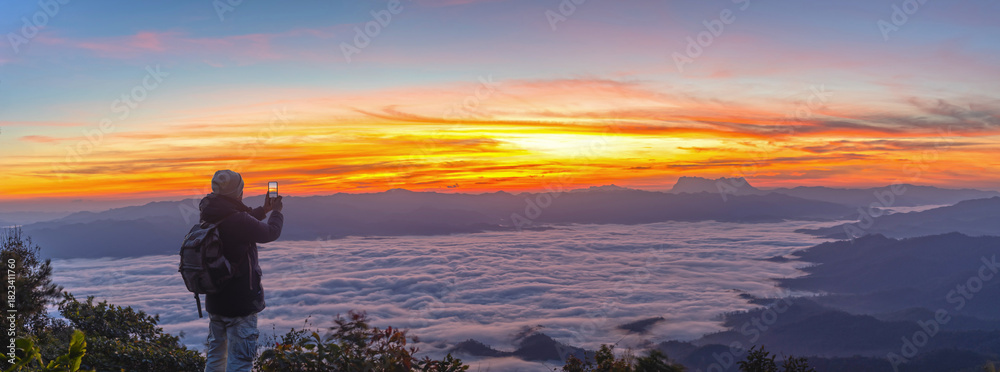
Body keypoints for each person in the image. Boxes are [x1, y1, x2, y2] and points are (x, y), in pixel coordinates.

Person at [200, 170, 284, 372]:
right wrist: (277, 212)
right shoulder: (237, 220)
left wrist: (263, 209)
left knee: (216, 358)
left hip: (216, 302)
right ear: (237, 192)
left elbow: (241, 221)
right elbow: (270, 232)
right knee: (240, 362)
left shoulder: (210, 214)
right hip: (240, 305)